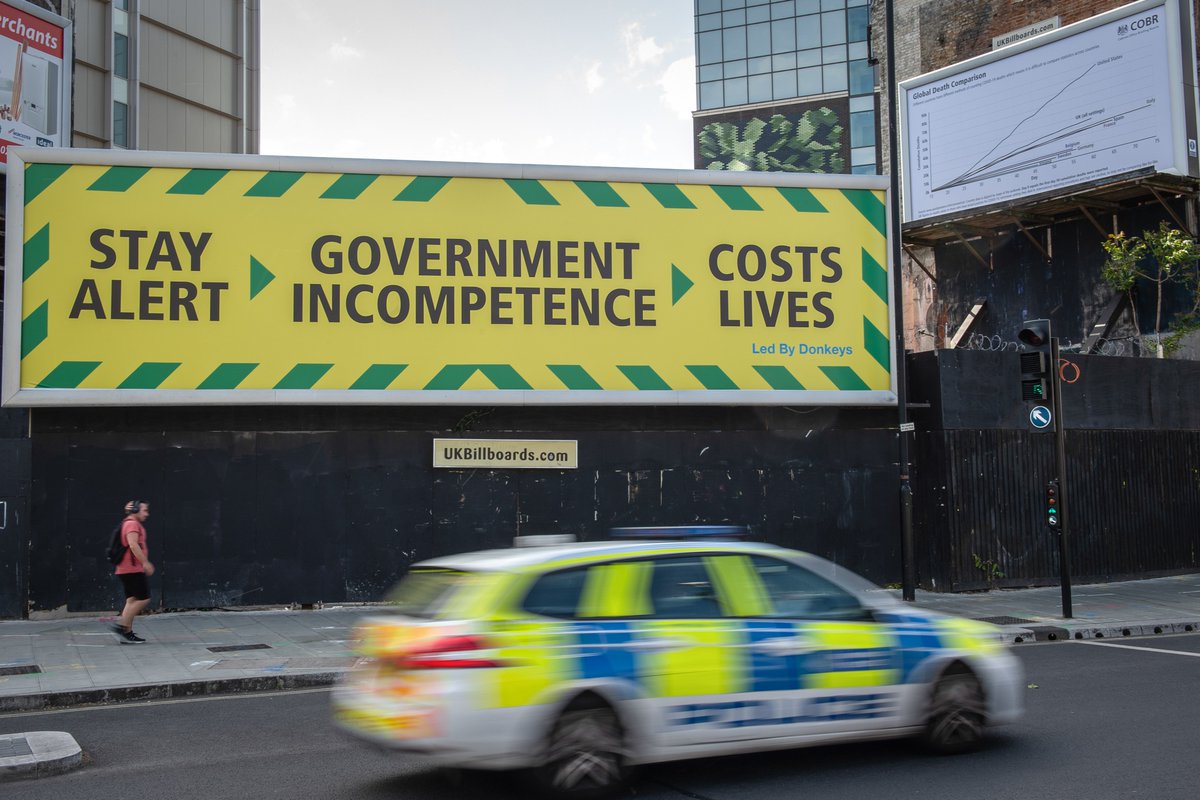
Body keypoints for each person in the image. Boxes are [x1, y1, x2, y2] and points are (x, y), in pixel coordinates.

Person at [109, 500, 154, 644]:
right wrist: (145, 563)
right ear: (135, 510)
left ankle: (127, 633)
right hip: (132, 568)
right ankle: (122, 627)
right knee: (143, 598)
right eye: (144, 510)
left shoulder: (128, 522)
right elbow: (133, 545)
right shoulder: (132, 524)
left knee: (132, 600)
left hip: (126, 569)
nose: (147, 514)